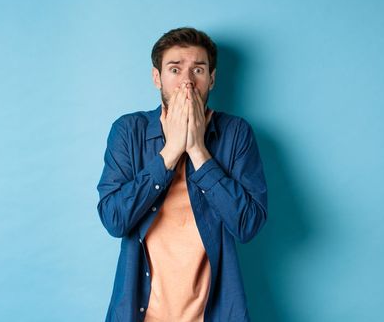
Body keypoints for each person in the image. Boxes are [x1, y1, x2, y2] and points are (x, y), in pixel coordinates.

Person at [96, 27, 268, 322]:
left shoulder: (236, 133)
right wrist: (171, 151)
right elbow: (115, 219)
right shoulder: (128, 131)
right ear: (157, 77)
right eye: (175, 69)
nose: (187, 82)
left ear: (211, 78)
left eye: (198, 70)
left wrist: (198, 151)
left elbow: (248, 225)